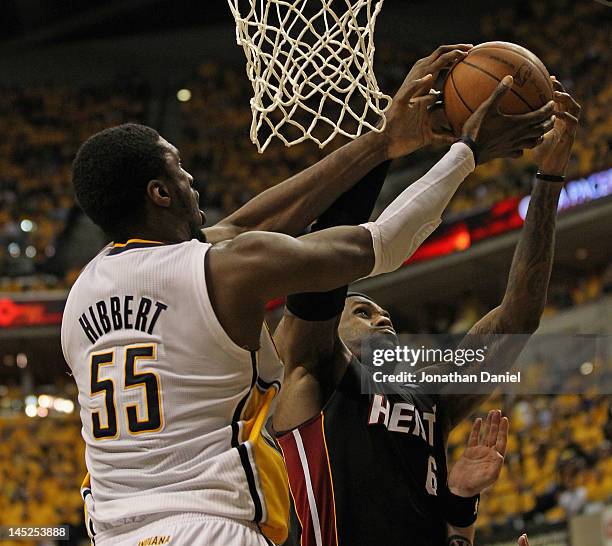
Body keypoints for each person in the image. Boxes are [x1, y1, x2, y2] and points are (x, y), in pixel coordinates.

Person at [61, 42, 554, 545]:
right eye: (179, 172)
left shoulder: (80, 298)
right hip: (206, 527)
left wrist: (383, 142)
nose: (192, 181)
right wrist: (468, 153)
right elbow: (384, 242)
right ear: (160, 194)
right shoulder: (223, 272)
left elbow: (257, 222)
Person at [273, 79, 580, 546]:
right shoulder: (310, 371)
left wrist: (549, 180)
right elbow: (322, 272)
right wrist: (387, 143)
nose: (382, 318)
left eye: (383, 314)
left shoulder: (430, 394)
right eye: (361, 310)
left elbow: (517, 318)